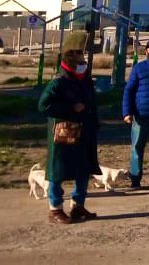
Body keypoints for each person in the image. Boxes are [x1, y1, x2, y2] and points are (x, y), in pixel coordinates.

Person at [38, 31, 99, 224]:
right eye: (80, 62)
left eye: (84, 62)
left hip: (85, 131)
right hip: (63, 133)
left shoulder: (86, 81)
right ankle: (55, 209)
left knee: (83, 170)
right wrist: (71, 108)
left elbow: (91, 105)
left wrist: (95, 123)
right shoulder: (58, 82)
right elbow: (44, 106)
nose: (84, 65)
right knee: (58, 171)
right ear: (71, 63)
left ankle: (77, 206)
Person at [121, 37, 149, 189]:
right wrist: (127, 112)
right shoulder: (139, 68)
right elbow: (129, 90)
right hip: (140, 116)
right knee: (137, 148)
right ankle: (135, 179)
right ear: (146, 50)